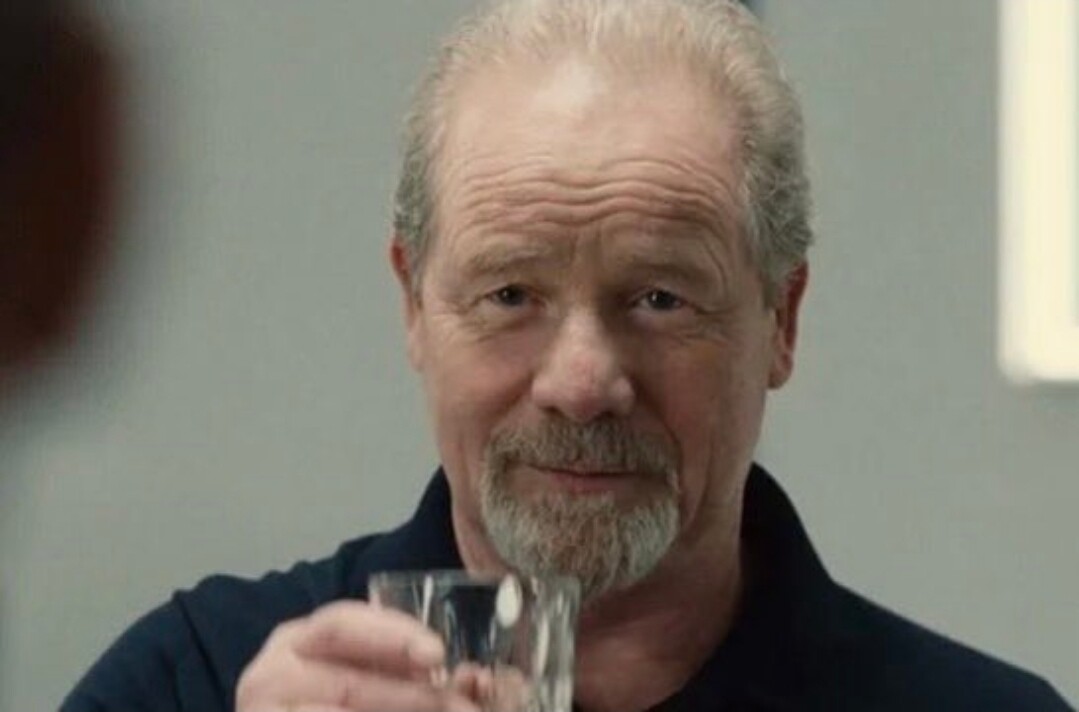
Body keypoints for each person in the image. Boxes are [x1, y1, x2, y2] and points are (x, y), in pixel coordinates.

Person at [61, 1, 1071, 710]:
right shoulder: (195, 683)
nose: (582, 383)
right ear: (414, 305)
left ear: (782, 319)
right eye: (511, 295)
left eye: (659, 299)